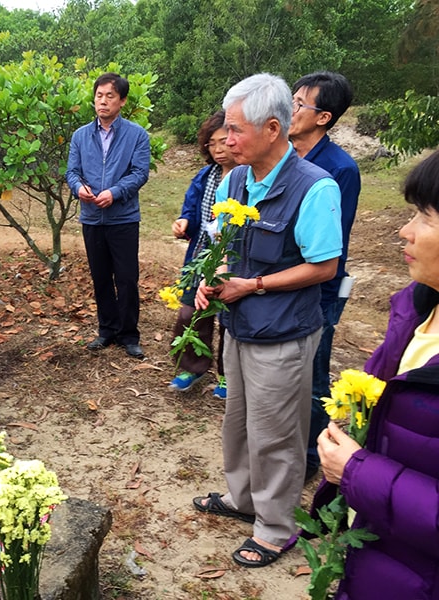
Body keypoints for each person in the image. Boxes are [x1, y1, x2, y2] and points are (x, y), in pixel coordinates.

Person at [192, 73, 342, 567]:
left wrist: (252, 286)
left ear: (273, 128)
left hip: (282, 333)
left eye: (234, 130)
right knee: (238, 422)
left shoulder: (315, 188)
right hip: (240, 326)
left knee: (276, 433)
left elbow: (324, 266)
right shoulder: (237, 179)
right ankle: (243, 500)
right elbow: (223, 243)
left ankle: (276, 528)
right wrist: (209, 279)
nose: (226, 139)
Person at [316, 150, 439, 598]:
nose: (403, 231)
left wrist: (356, 470)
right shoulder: (415, 309)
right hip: (385, 560)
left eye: (424, 216)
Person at [289, 71, 362, 482]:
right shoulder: (284, 154)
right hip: (282, 279)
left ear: (323, 117)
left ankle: (313, 458)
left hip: (319, 288)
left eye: (301, 104)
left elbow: (330, 243)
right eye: (292, 99)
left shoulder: (340, 168)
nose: (292, 109)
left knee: (314, 372)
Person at [66, 72, 151, 359]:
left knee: (126, 278)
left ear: (122, 101)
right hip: (91, 217)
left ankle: (129, 335)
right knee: (100, 276)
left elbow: (140, 173)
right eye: (99, 96)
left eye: (110, 96)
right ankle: (107, 330)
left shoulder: (137, 135)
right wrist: (79, 188)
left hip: (123, 217)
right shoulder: (80, 135)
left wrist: (114, 192)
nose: (103, 101)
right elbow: (72, 172)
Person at [169, 110, 236, 397]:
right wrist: (184, 222)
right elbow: (191, 210)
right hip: (200, 257)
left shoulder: (249, 177)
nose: (219, 149)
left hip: (234, 261)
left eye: (224, 141)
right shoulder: (205, 176)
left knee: (230, 320)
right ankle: (193, 367)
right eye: (212, 143)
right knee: (191, 312)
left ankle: (227, 376)